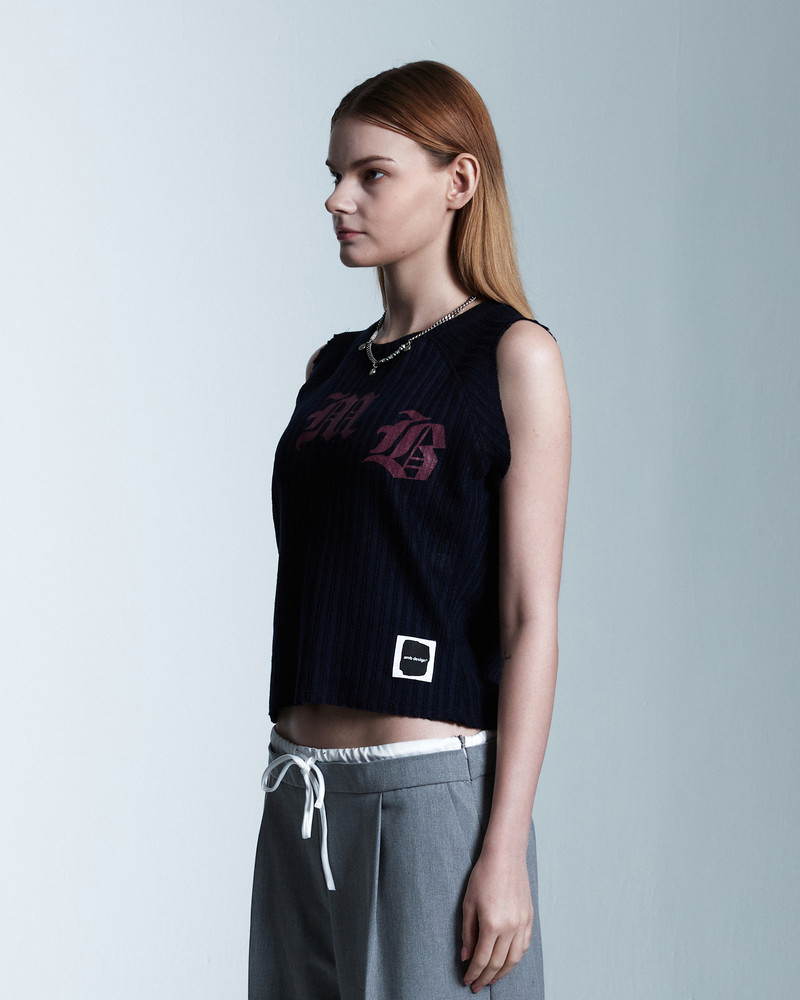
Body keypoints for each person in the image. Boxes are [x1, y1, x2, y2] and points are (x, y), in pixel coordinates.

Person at [248, 60, 570, 999]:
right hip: (298, 791)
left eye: (371, 174)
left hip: (429, 793)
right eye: (334, 174)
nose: (337, 199)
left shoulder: (512, 355)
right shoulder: (332, 369)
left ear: (458, 181)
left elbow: (530, 621)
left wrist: (502, 849)